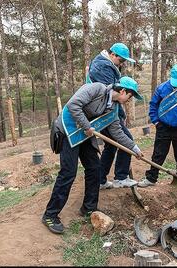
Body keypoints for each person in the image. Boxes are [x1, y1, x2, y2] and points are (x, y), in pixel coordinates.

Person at [42, 77, 143, 234]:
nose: (129, 101)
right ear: (122, 91)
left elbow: (117, 132)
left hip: (84, 134)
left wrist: (134, 148)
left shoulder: (114, 108)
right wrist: (87, 125)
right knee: (68, 172)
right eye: (130, 97)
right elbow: (73, 105)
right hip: (68, 130)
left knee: (94, 168)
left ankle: (89, 208)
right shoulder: (96, 88)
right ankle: (50, 215)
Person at [138, 64, 177, 187]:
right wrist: (156, 121)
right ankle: (151, 178)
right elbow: (153, 106)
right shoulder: (161, 89)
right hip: (163, 127)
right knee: (158, 153)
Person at [87, 42, 138, 189]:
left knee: (110, 146)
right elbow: (112, 93)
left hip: (107, 111)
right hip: (107, 113)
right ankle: (121, 177)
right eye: (121, 60)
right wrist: (120, 113)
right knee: (126, 139)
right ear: (112, 54)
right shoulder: (102, 66)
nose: (121, 63)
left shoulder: (106, 65)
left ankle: (100, 180)